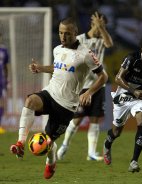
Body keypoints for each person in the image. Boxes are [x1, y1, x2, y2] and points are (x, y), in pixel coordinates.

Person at [9, 17, 108, 179]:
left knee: (47, 142)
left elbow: (103, 76)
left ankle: (51, 162)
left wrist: (88, 92)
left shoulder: (86, 54)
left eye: (67, 34)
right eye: (61, 33)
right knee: (30, 101)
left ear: (75, 33)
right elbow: (57, 68)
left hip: (67, 106)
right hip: (50, 93)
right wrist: (40, 68)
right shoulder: (57, 49)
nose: (63, 37)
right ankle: (20, 143)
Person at [103, 33, 142, 172]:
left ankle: (134, 162)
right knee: (117, 131)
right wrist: (133, 90)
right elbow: (118, 78)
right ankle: (108, 142)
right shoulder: (132, 59)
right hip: (124, 94)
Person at [57, 12, 113, 161]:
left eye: (103, 25)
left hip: (97, 85)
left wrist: (101, 28)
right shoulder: (80, 39)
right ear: (91, 23)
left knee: (95, 119)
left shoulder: (102, 40)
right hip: (81, 85)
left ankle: (91, 153)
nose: (99, 28)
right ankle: (65, 145)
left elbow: (109, 44)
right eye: (97, 24)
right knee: (77, 119)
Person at [0, 33, 9, 134]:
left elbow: (6, 67)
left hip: (0, 80)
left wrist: (6, 80)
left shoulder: (3, 50)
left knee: (1, 102)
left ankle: (0, 125)